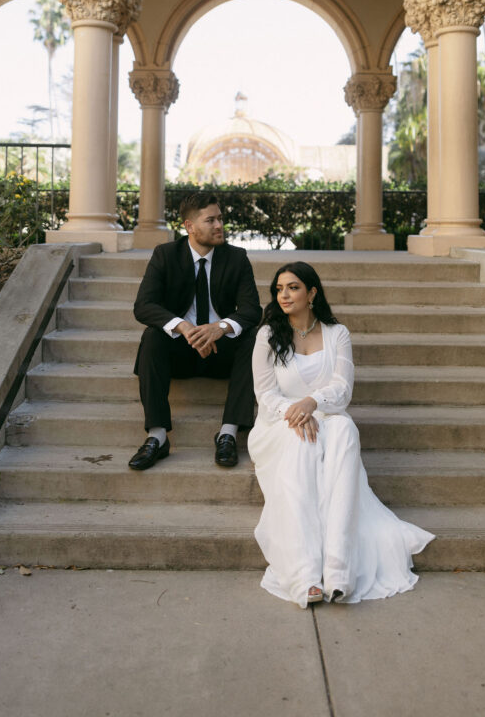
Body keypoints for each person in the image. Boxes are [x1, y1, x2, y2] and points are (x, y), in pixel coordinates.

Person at [248, 261, 435, 607]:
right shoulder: (267, 335)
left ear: (312, 292)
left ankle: (338, 569)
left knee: (345, 429)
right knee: (300, 443)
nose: (284, 295)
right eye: (279, 289)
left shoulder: (338, 334)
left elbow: (342, 389)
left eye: (293, 287)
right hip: (278, 423)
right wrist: (296, 413)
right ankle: (304, 573)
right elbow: (265, 394)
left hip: (326, 414)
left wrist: (311, 403)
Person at [130, 192, 261, 471]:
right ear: (190, 226)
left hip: (221, 352)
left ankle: (228, 433)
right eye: (210, 220)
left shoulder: (236, 258)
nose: (219, 225)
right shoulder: (165, 255)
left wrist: (220, 328)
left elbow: (252, 310)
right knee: (152, 336)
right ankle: (157, 436)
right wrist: (184, 326)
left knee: (253, 337)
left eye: (220, 219)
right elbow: (143, 306)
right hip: (181, 351)